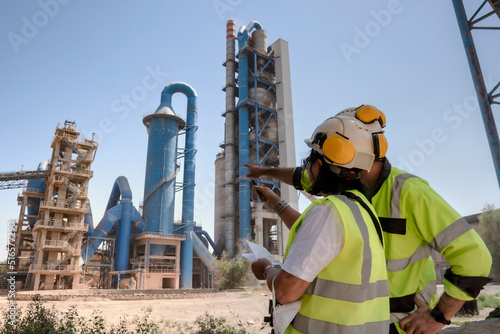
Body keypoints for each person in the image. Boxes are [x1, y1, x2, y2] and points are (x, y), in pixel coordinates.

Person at [246, 104, 493, 334]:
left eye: (312, 161)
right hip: (355, 321)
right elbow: (319, 235)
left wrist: (438, 317)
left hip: (398, 322)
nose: (308, 171)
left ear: (332, 161)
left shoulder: (408, 194)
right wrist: (264, 175)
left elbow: (474, 258)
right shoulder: (349, 192)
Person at [250, 115, 390, 334]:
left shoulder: (328, 211)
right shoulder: (361, 208)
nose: (306, 168)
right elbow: (318, 241)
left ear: (318, 165)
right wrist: (276, 203)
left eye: (309, 161)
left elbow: (286, 291)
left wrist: (267, 268)